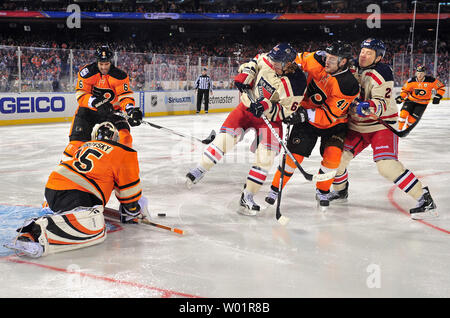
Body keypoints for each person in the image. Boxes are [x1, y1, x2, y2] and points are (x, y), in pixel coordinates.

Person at [186, 43, 307, 215]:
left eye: (278, 63)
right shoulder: (267, 59)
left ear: (289, 63)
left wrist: (266, 107)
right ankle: (200, 169)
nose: (273, 64)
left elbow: (286, 111)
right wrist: (246, 75)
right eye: (272, 60)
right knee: (224, 140)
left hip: (270, 119)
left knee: (265, 158)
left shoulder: (297, 82)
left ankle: (248, 196)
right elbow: (252, 63)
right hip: (246, 108)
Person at [328, 38, 437, 220]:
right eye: (362, 51)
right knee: (336, 158)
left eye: (369, 53)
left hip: (380, 125)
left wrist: (369, 105)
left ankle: (424, 198)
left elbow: (381, 102)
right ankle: (340, 191)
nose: (363, 55)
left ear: (378, 57)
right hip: (356, 126)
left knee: (387, 167)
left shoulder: (383, 72)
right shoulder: (352, 66)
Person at [5, 122, 149, 258]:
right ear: (115, 138)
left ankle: (56, 215)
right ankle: (34, 232)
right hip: (78, 194)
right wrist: (133, 212)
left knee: (85, 210)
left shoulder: (84, 145)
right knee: (96, 227)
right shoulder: (123, 152)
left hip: (52, 188)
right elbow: (129, 195)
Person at [264, 41, 360, 209]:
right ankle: (275, 188)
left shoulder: (348, 84)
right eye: (327, 57)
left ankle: (323, 190)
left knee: (333, 157)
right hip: (306, 117)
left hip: (334, 124)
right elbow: (294, 61)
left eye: (332, 59)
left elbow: (329, 115)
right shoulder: (316, 59)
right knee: (293, 157)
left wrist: (301, 114)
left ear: (343, 62)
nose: (327, 61)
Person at [63, 45, 143, 159]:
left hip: (112, 112)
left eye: (106, 64)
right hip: (88, 111)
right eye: (101, 64)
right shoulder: (87, 73)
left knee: (125, 138)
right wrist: (95, 102)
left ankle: (121, 170)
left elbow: (125, 96)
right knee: (74, 145)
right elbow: (81, 95)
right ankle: (67, 170)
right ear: (97, 62)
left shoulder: (120, 76)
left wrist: (130, 109)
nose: (104, 67)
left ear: (110, 62)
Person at [396, 65, 446, 131]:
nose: (419, 75)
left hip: (422, 104)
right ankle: (399, 130)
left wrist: (438, 96)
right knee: (403, 114)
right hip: (410, 101)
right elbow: (405, 91)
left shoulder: (431, 80)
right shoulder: (411, 81)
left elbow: (441, 87)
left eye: (421, 73)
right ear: (416, 73)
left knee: (411, 120)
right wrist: (401, 97)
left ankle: (406, 131)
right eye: (418, 73)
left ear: (424, 74)